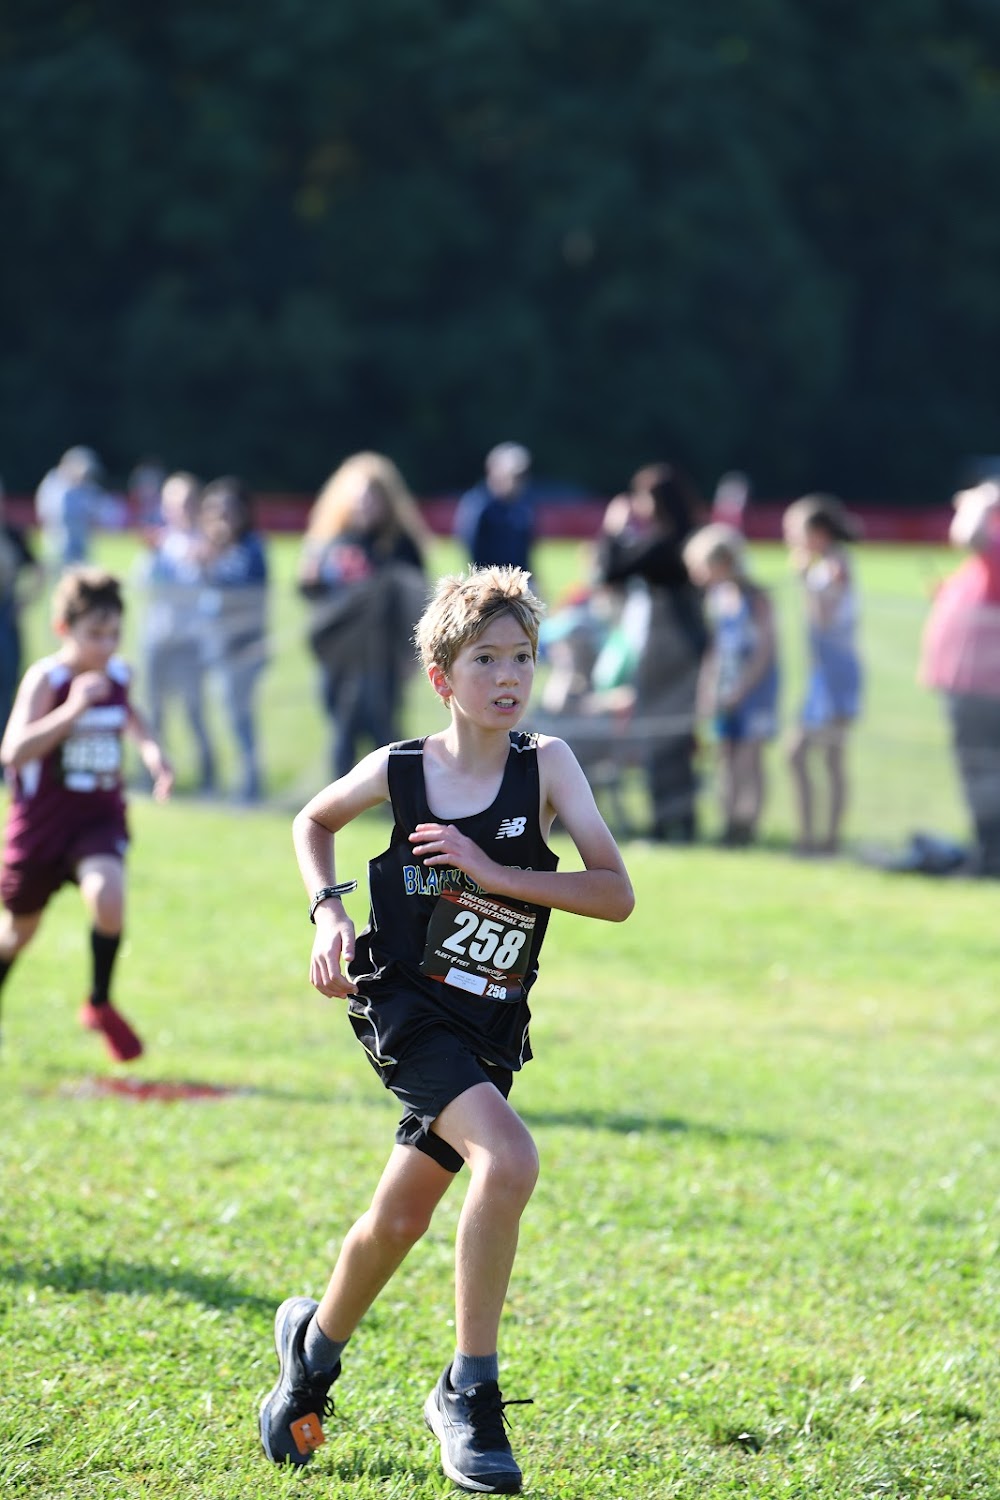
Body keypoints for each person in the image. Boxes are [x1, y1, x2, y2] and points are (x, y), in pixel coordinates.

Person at [259, 565, 634, 1494]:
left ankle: (311, 1350)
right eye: (486, 660)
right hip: (405, 1005)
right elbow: (312, 821)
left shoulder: (548, 764)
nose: (509, 677)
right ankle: (468, 1392)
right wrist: (329, 914)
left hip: (489, 1023)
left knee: (400, 1217)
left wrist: (493, 872)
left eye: (523, 657)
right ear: (443, 677)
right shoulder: (403, 770)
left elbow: (614, 893)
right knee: (509, 1160)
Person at [0, 566, 173, 1059]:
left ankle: (99, 1002)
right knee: (17, 932)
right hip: (41, 827)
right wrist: (72, 710)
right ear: (63, 628)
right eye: (95, 634)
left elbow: (131, 715)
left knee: (108, 895)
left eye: (114, 633)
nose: (106, 645)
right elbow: (13, 752)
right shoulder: (48, 679)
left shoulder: (118, 674)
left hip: (97, 818)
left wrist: (153, 753)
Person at [594, 462, 708, 842]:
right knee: (680, 737)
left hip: (666, 648)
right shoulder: (692, 536)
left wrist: (612, 530)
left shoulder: (664, 544)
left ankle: (664, 821)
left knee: (658, 735)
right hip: (689, 649)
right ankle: (684, 820)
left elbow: (611, 571)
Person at [298, 452, 430, 778]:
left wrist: (411, 654)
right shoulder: (332, 542)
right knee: (340, 728)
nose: (365, 506)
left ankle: (395, 796)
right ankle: (342, 798)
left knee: (382, 730)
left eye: (373, 498)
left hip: (381, 656)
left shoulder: (401, 546)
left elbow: (416, 601)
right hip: (338, 655)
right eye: (359, 499)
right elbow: (315, 596)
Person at [918, 479, 1000, 876]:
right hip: (972, 685)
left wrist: (979, 502)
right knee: (981, 772)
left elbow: (967, 535)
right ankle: (987, 851)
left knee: (983, 771)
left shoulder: (993, 545)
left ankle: (991, 857)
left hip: (983, 687)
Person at [683, 522, 779, 845]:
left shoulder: (757, 598)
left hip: (755, 691)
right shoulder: (717, 597)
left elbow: (765, 650)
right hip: (725, 688)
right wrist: (708, 689)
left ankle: (747, 823)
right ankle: (728, 821)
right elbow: (715, 649)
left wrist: (743, 688)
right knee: (725, 755)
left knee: (749, 757)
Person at [783, 492, 863, 856]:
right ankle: (812, 837)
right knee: (808, 755)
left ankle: (826, 840)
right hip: (823, 672)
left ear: (817, 532)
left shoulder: (835, 564)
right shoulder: (826, 565)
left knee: (823, 755)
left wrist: (803, 579)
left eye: (796, 530)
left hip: (836, 672)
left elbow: (826, 619)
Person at [134, 471, 216, 793]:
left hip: (190, 641)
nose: (180, 510)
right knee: (154, 710)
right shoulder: (160, 542)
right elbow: (144, 584)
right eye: (173, 503)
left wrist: (203, 562)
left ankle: (208, 777)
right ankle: (152, 774)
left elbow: (208, 593)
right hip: (158, 637)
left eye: (186, 503)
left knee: (194, 710)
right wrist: (152, 555)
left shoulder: (206, 545)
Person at [198, 477, 269, 803]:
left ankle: (250, 785)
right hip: (217, 645)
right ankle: (229, 781)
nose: (222, 519)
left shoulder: (251, 548)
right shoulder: (212, 547)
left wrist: (211, 560)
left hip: (243, 647)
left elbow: (240, 590)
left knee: (240, 718)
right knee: (225, 715)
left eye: (229, 511)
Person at [452, 443, 538, 576]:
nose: (519, 481)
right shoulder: (478, 505)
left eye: (523, 476)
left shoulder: (522, 507)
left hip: (516, 581)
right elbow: (471, 550)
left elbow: (525, 554)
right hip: (490, 582)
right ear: (494, 470)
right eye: (514, 476)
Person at [0, 479, 44, 735]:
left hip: (5, 615)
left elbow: (39, 569)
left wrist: (25, 600)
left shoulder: (13, 533)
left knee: (7, 681)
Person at [34, 445, 109, 574]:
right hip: (59, 539)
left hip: (82, 540)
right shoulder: (54, 484)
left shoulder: (86, 487)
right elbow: (52, 511)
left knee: (84, 573)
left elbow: (98, 511)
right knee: (59, 573)